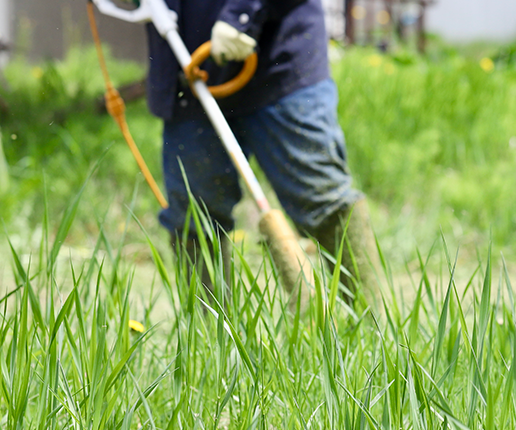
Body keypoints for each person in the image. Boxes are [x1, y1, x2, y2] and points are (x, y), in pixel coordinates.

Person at [145, 0, 381, 307]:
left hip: (280, 65)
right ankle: (208, 344)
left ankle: (372, 333)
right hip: (188, 73)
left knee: (324, 202)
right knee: (194, 217)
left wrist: (242, 13)